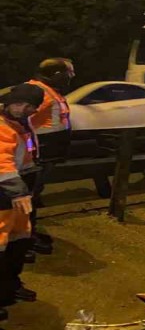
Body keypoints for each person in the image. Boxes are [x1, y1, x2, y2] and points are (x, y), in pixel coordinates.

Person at [0, 85, 41, 321]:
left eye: (29, 106)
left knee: (18, 241)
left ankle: (9, 288)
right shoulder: (3, 126)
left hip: (18, 194)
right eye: (19, 104)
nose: (23, 109)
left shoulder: (20, 124)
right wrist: (19, 191)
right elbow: (2, 165)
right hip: (8, 194)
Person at [24, 58, 73, 255]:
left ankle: (27, 234)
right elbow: (21, 123)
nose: (72, 77)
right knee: (27, 196)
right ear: (57, 75)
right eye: (69, 73)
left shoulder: (46, 91)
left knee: (32, 195)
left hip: (45, 154)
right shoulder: (39, 92)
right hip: (38, 155)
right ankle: (22, 238)